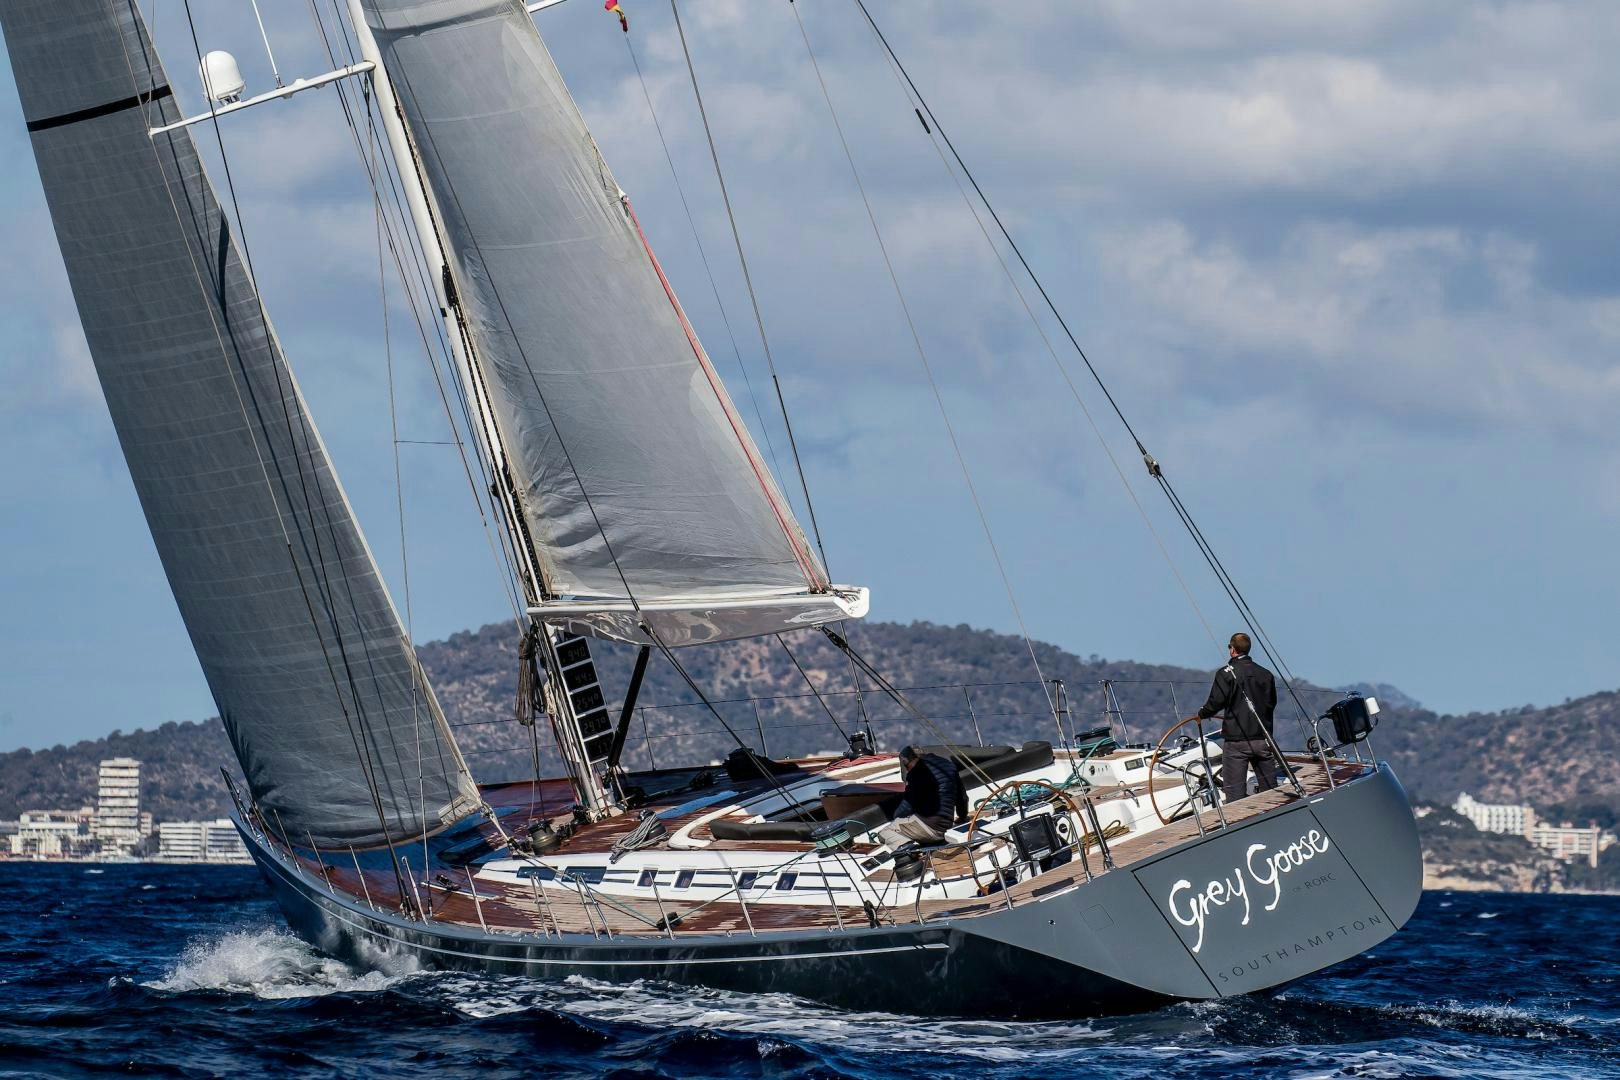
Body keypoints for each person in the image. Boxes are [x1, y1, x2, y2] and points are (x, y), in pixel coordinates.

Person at [1189, 632, 1279, 804]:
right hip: (1263, 739)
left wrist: (1202, 714)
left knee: (1235, 795)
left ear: (1232, 649)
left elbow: (1215, 703)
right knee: (1271, 791)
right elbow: (1271, 703)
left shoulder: (1225, 674)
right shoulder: (1266, 674)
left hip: (1237, 742)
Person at [875, 745, 959, 850]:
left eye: (906, 765)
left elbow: (907, 806)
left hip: (930, 828)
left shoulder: (915, 774)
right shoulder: (947, 764)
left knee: (885, 832)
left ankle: (908, 853)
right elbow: (961, 796)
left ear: (909, 760)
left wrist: (896, 819)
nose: (907, 768)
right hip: (946, 826)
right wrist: (962, 816)